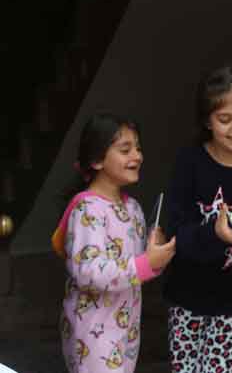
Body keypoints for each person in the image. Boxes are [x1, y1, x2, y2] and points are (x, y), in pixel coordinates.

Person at [52, 113, 176, 373]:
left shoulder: (133, 208)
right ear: (97, 160)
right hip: (91, 335)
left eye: (138, 148)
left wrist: (158, 252)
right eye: (125, 149)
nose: (138, 156)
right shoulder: (88, 209)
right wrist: (145, 264)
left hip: (126, 333)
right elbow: (88, 273)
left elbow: (143, 265)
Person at [164, 65, 232, 373]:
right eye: (225, 119)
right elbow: (175, 233)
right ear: (207, 121)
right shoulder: (189, 162)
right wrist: (215, 234)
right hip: (186, 296)